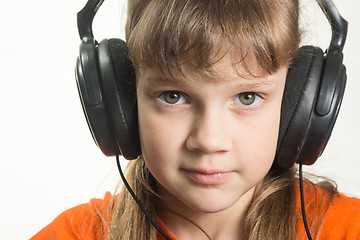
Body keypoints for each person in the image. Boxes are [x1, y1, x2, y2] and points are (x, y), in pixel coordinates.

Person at [31, 0, 360, 239]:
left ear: (298, 103)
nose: (209, 140)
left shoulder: (346, 229)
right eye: (173, 96)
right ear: (124, 102)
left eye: (248, 97)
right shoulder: (74, 234)